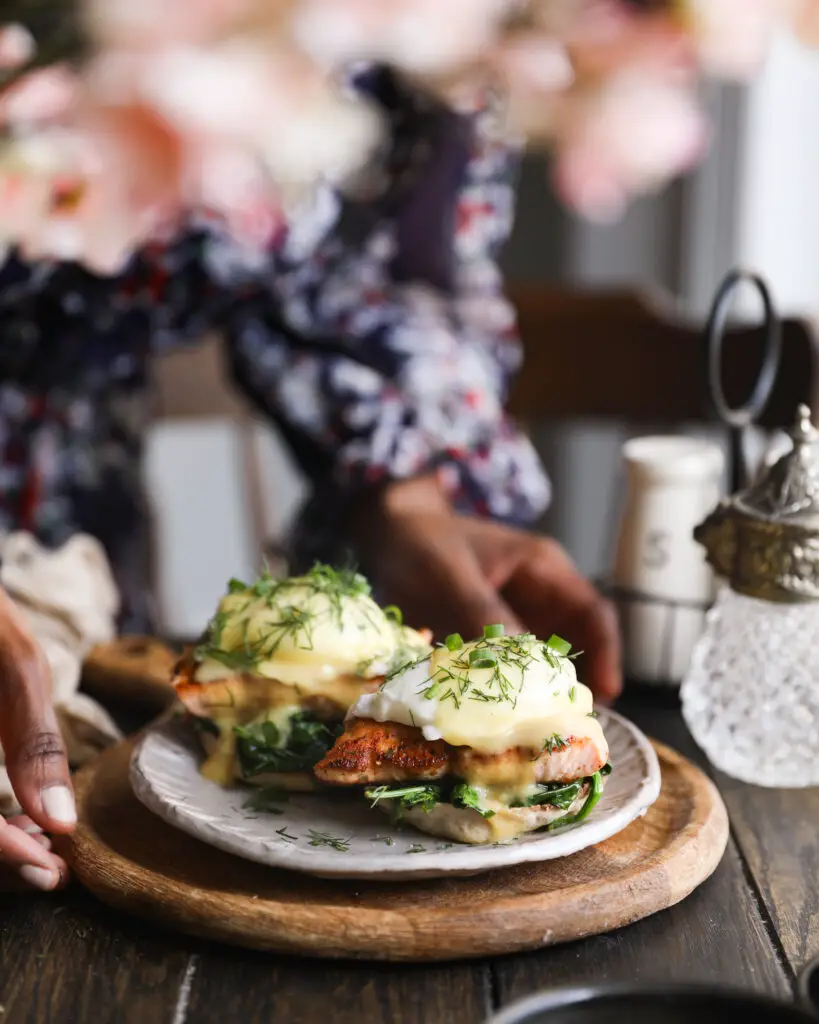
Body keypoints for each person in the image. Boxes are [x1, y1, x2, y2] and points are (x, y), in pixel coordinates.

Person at [0, 66, 621, 890]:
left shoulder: (456, 38)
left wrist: (405, 495)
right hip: (31, 443)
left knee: (71, 727)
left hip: (74, 514)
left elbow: (399, 260)